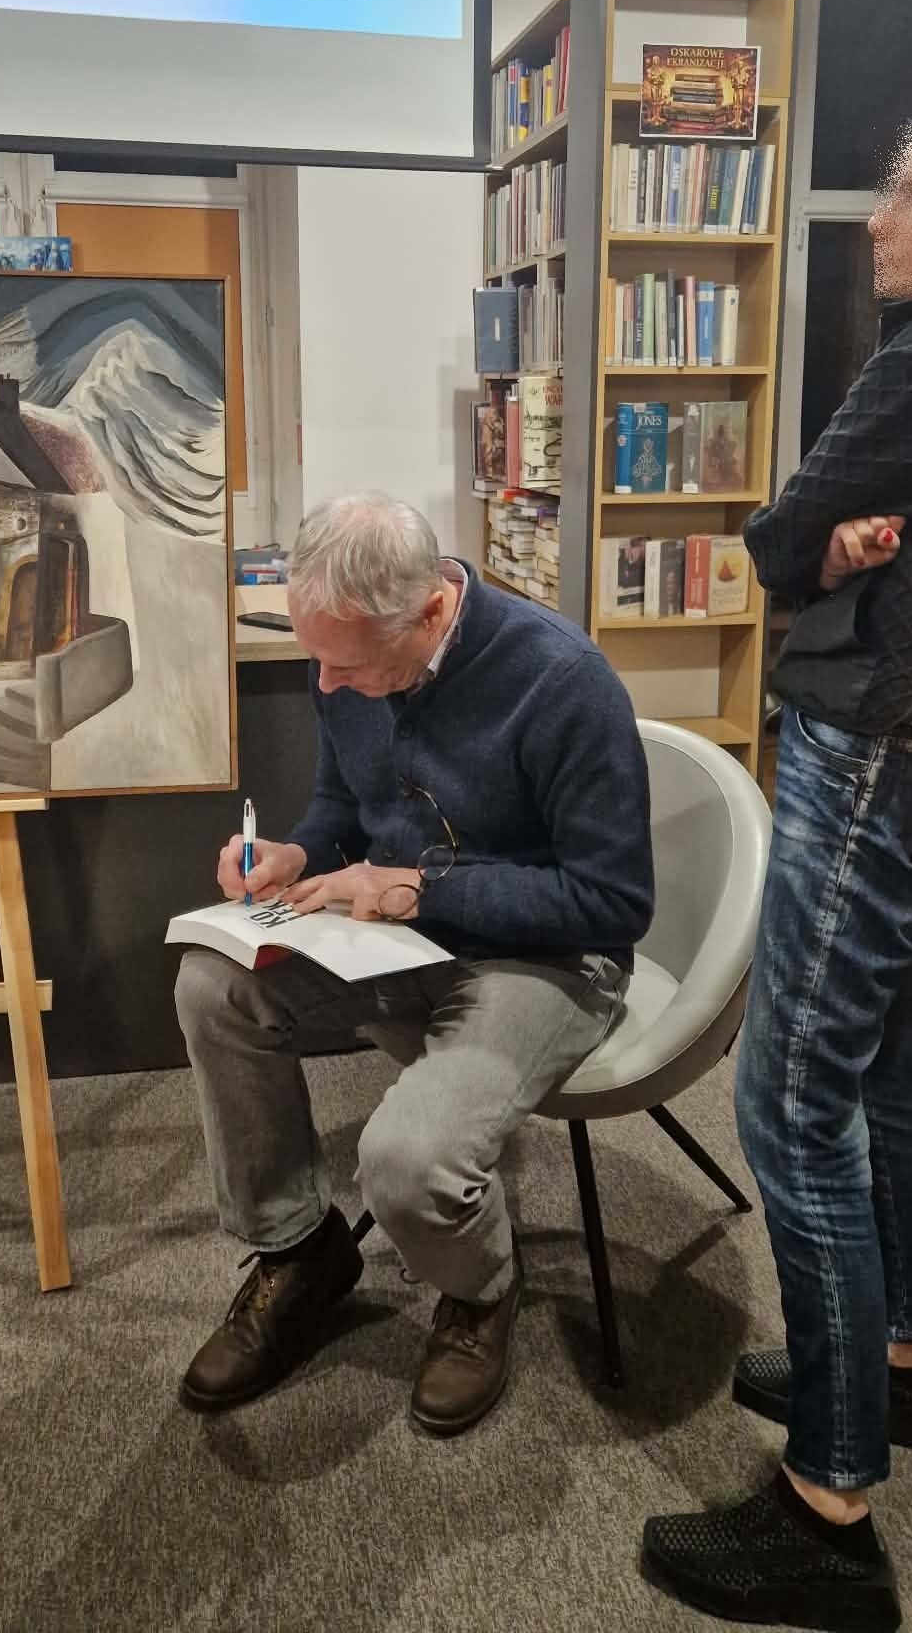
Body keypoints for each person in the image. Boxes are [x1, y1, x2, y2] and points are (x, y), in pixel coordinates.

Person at [644, 93, 912, 1630]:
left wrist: (826, 542)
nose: (878, 219)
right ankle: (901, 1359)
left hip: (883, 752)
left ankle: (827, 1507)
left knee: (788, 1104)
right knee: (881, 1055)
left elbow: (777, 537)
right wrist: (876, 539)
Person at [175, 493, 653, 1435]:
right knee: (213, 984)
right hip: (400, 933)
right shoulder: (346, 652)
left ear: (431, 609)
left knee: (404, 1163)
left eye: (348, 666)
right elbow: (342, 808)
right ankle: (299, 1252)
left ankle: (480, 1293)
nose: (325, 681)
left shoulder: (562, 681)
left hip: (548, 958)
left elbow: (612, 902)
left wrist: (419, 889)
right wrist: (295, 855)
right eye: (315, 658)